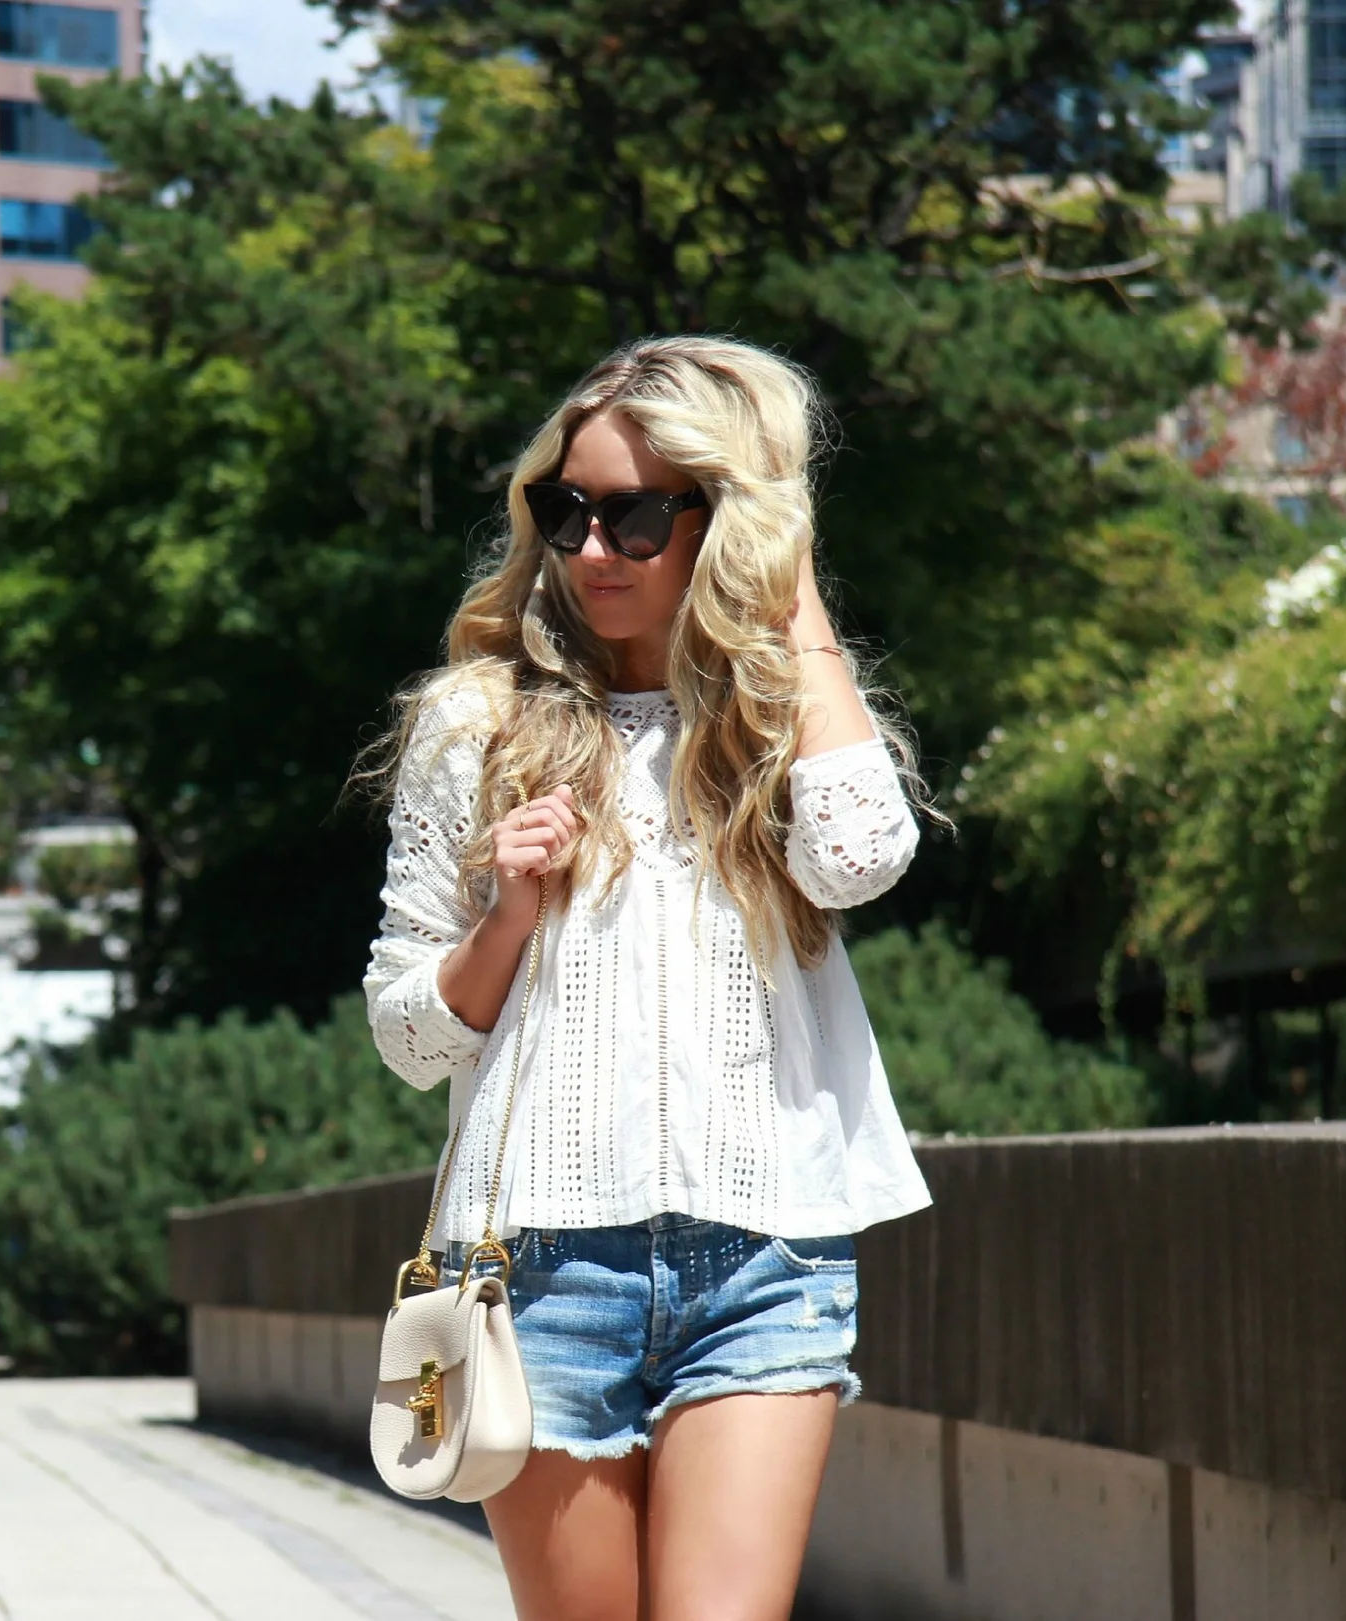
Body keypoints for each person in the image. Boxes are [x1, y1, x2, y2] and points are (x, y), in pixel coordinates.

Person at [362, 336, 933, 1621]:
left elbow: (857, 857)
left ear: (720, 520)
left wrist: (789, 593)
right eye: (564, 510)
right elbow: (408, 1038)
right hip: (537, 1273)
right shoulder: (476, 723)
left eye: (633, 517)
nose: (591, 549)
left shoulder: (778, 716)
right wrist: (506, 918)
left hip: (765, 1256)